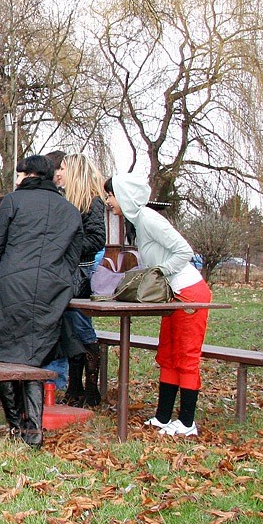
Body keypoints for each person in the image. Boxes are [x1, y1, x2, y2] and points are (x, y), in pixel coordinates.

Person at [0, 155, 82, 447]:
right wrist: (62, 287)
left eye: (19, 174)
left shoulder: (13, 202)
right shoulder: (70, 210)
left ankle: (14, 423)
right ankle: (32, 430)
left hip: (10, 284)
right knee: (35, 355)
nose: (16, 180)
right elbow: (74, 259)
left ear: (30, 174)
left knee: (2, 351)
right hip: (51, 291)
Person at [105, 174, 211, 437]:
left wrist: (160, 272)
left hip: (188, 292)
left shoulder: (149, 219)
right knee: (167, 354)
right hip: (173, 295)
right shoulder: (138, 222)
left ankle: (187, 422)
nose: (108, 201)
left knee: (186, 356)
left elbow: (184, 251)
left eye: (110, 195)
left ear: (124, 195)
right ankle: (163, 416)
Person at [50, 152, 108, 407]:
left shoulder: (92, 202)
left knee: (82, 329)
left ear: (74, 171)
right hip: (67, 274)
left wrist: (67, 245)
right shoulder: (68, 201)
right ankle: (74, 386)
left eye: (62, 168)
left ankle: (91, 389)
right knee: (70, 330)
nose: (58, 172)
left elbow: (96, 240)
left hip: (81, 276)